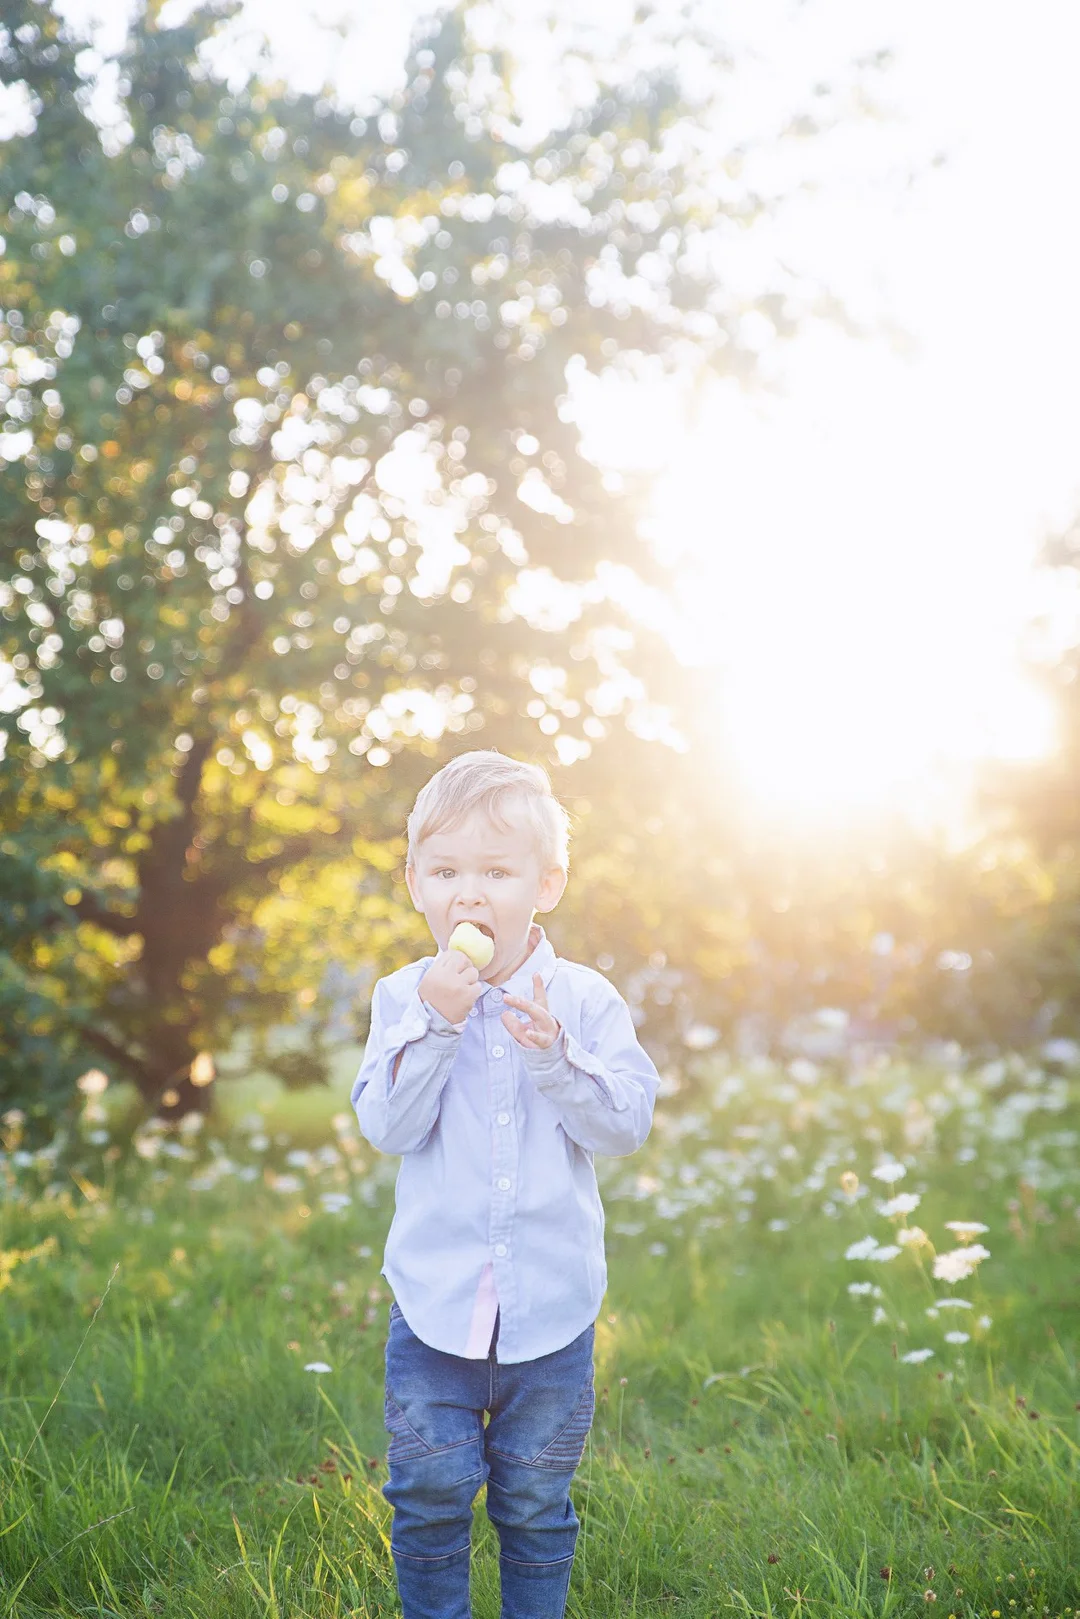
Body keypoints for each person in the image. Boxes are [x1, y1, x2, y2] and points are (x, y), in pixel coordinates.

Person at [351, 748, 661, 1619]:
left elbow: (625, 1125)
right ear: (416, 882)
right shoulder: (401, 997)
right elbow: (387, 1126)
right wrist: (436, 1027)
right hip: (435, 1310)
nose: (470, 893)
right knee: (429, 1496)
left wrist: (558, 1062)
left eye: (497, 870)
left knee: (532, 1505)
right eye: (446, 870)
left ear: (548, 883)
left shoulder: (586, 1000)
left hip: (550, 1315)